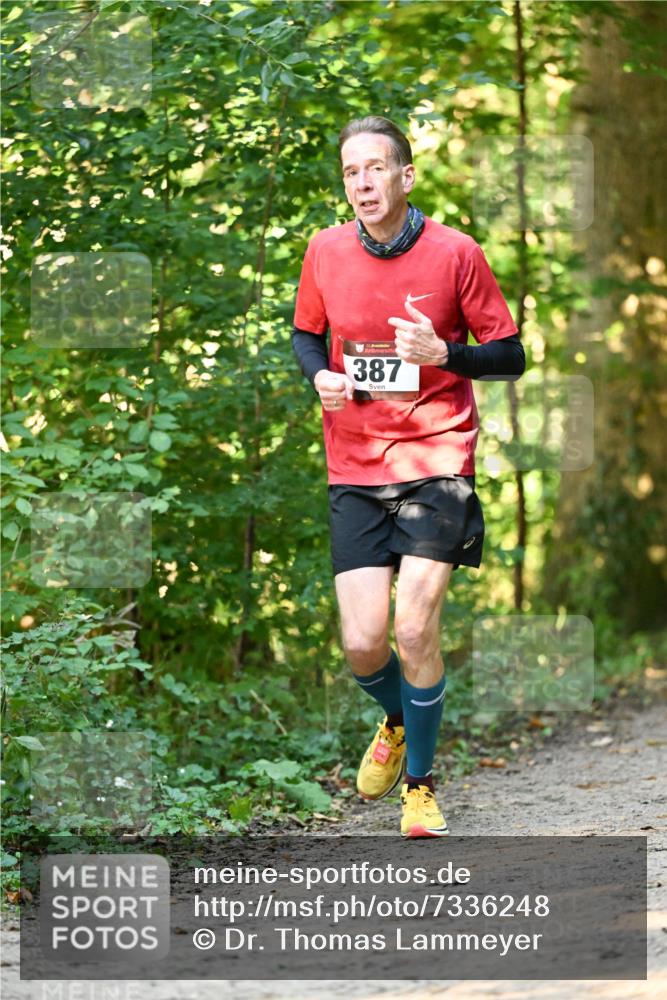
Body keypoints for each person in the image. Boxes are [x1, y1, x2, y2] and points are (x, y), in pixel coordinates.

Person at [291, 115, 525, 838]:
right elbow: (304, 333)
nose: (362, 183)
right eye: (350, 173)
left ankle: (419, 788)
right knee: (363, 643)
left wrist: (445, 352)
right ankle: (397, 719)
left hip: (435, 460)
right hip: (354, 464)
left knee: (415, 625)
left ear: (404, 176)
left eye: (374, 169)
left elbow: (510, 354)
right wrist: (322, 375)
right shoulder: (325, 250)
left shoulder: (456, 253)